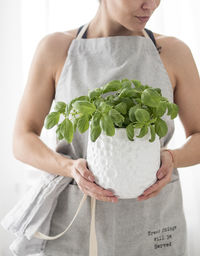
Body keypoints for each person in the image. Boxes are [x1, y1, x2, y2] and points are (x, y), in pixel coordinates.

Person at [2, 0, 200, 255]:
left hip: (154, 217)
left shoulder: (174, 52)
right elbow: (22, 138)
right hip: (76, 216)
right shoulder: (55, 49)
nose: (150, 5)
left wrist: (172, 157)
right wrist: (70, 168)